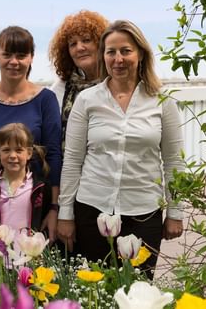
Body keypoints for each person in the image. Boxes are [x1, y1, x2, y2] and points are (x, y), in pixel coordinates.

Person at [56, 20, 185, 278]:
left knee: (138, 293)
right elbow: (72, 160)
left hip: (143, 212)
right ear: (103, 56)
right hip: (92, 211)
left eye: (125, 51)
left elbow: (173, 161)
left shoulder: (163, 101)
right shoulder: (88, 100)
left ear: (140, 54)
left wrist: (175, 211)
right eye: (111, 51)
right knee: (94, 293)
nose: (118, 59)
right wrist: (65, 214)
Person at [0, 26, 62, 241]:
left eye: (21, 55)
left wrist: (54, 207)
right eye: (7, 54)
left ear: (32, 58)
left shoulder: (46, 99)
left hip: (34, 208)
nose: (14, 62)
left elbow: (54, 155)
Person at [0, 123, 52, 264]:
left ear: (29, 153)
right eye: (6, 150)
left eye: (19, 150)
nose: (12, 156)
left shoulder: (40, 186)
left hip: (28, 260)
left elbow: (44, 220)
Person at [49, 10, 109, 150]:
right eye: (73, 44)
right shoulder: (60, 89)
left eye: (86, 40)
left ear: (102, 43)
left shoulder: (116, 84)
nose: (80, 48)